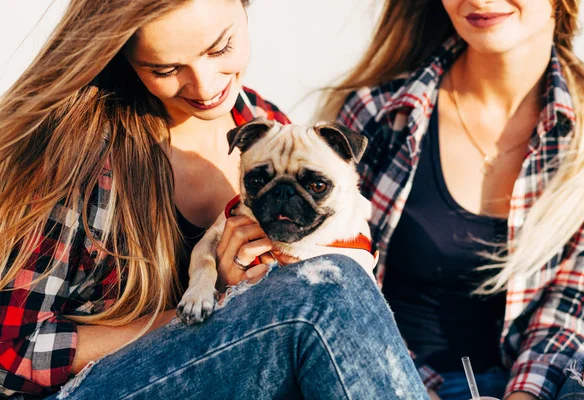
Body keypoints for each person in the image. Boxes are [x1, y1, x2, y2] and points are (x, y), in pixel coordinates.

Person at [0, 0, 429, 399]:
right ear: (122, 55)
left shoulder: (266, 128)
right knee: (326, 289)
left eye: (221, 47)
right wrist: (216, 306)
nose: (205, 85)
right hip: (94, 387)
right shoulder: (76, 159)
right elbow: (12, 352)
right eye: (166, 68)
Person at [320, 0, 584, 399]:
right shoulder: (379, 115)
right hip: (384, 375)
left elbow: (567, 307)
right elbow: (330, 276)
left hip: (532, 384)